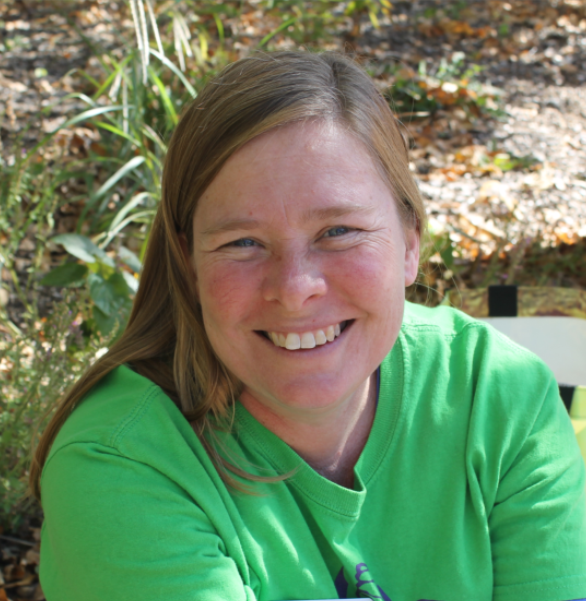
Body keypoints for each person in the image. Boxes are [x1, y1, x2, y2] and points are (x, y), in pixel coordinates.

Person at [31, 52, 586, 601]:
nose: (295, 288)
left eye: (339, 230)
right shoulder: (122, 462)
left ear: (411, 241)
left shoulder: (496, 397)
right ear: (189, 262)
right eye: (243, 243)